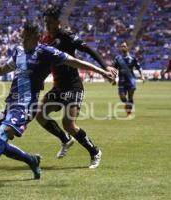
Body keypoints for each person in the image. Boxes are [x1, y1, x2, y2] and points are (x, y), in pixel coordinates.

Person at [0, 21, 115, 187]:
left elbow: (75, 62)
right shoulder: (18, 52)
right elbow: (2, 69)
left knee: (1, 136)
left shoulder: (46, 52)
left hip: (26, 105)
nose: (23, 40)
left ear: (37, 37)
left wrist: (102, 71)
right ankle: (31, 160)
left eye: (26, 37)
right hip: (11, 102)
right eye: (22, 36)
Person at [35, 6, 117, 169]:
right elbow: (45, 64)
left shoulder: (67, 36)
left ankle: (95, 152)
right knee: (39, 114)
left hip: (73, 86)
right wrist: (40, 79)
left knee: (68, 123)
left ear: (58, 22)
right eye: (45, 22)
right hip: (58, 87)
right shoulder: (44, 40)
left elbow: (88, 50)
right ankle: (65, 140)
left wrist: (105, 66)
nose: (47, 25)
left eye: (50, 22)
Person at [113, 42, 145, 117]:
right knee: (122, 97)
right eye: (121, 46)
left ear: (127, 47)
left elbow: (139, 67)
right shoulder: (118, 58)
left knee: (130, 97)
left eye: (124, 46)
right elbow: (114, 69)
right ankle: (127, 105)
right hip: (121, 81)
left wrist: (142, 76)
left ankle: (129, 113)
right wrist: (113, 79)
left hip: (131, 81)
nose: (123, 47)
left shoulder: (132, 58)